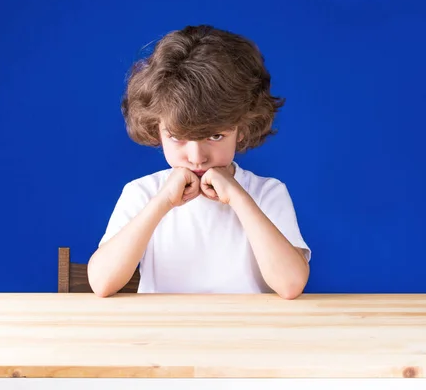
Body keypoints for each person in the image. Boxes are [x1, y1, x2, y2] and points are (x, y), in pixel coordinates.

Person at [87, 25, 311, 300]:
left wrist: (239, 198)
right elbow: (102, 283)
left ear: (241, 128)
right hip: (163, 339)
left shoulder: (267, 193)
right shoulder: (142, 194)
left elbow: (290, 285)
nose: (196, 157)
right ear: (156, 128)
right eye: (178, 137)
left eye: (215, 136)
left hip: (250, 337)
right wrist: (162, 203)